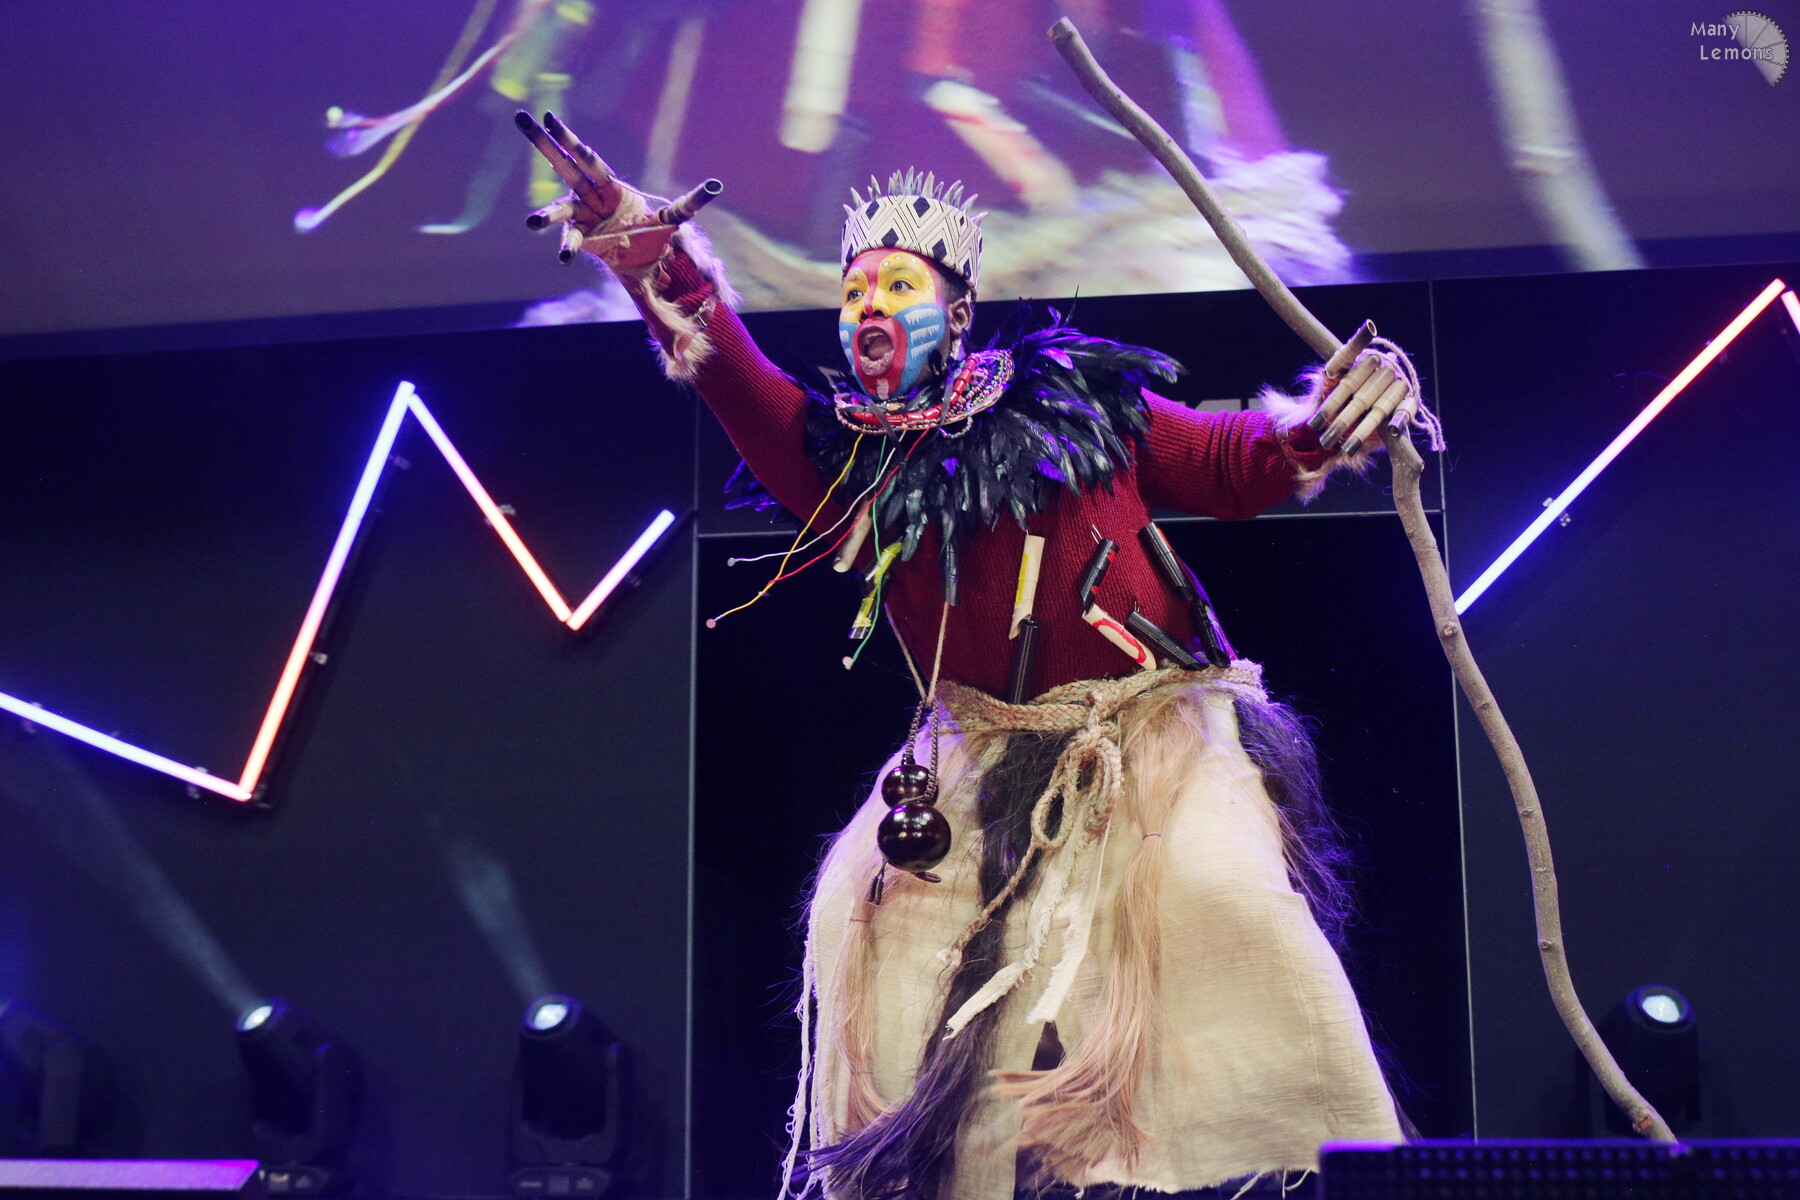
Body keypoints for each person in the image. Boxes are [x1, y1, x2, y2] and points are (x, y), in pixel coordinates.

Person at [514, 111, 1421, 1200]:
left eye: (895, 287)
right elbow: (730, 372)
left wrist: (1335, 418)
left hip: (1153, 725)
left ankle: (1315, 1153)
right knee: (866, 921)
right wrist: (650, 255)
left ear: (955, 312)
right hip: (976, 751)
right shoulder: (850, 463)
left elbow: (1235, 463)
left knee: (1223, 890)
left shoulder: (1079, 402)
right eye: (854, 292)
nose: (867, 307)